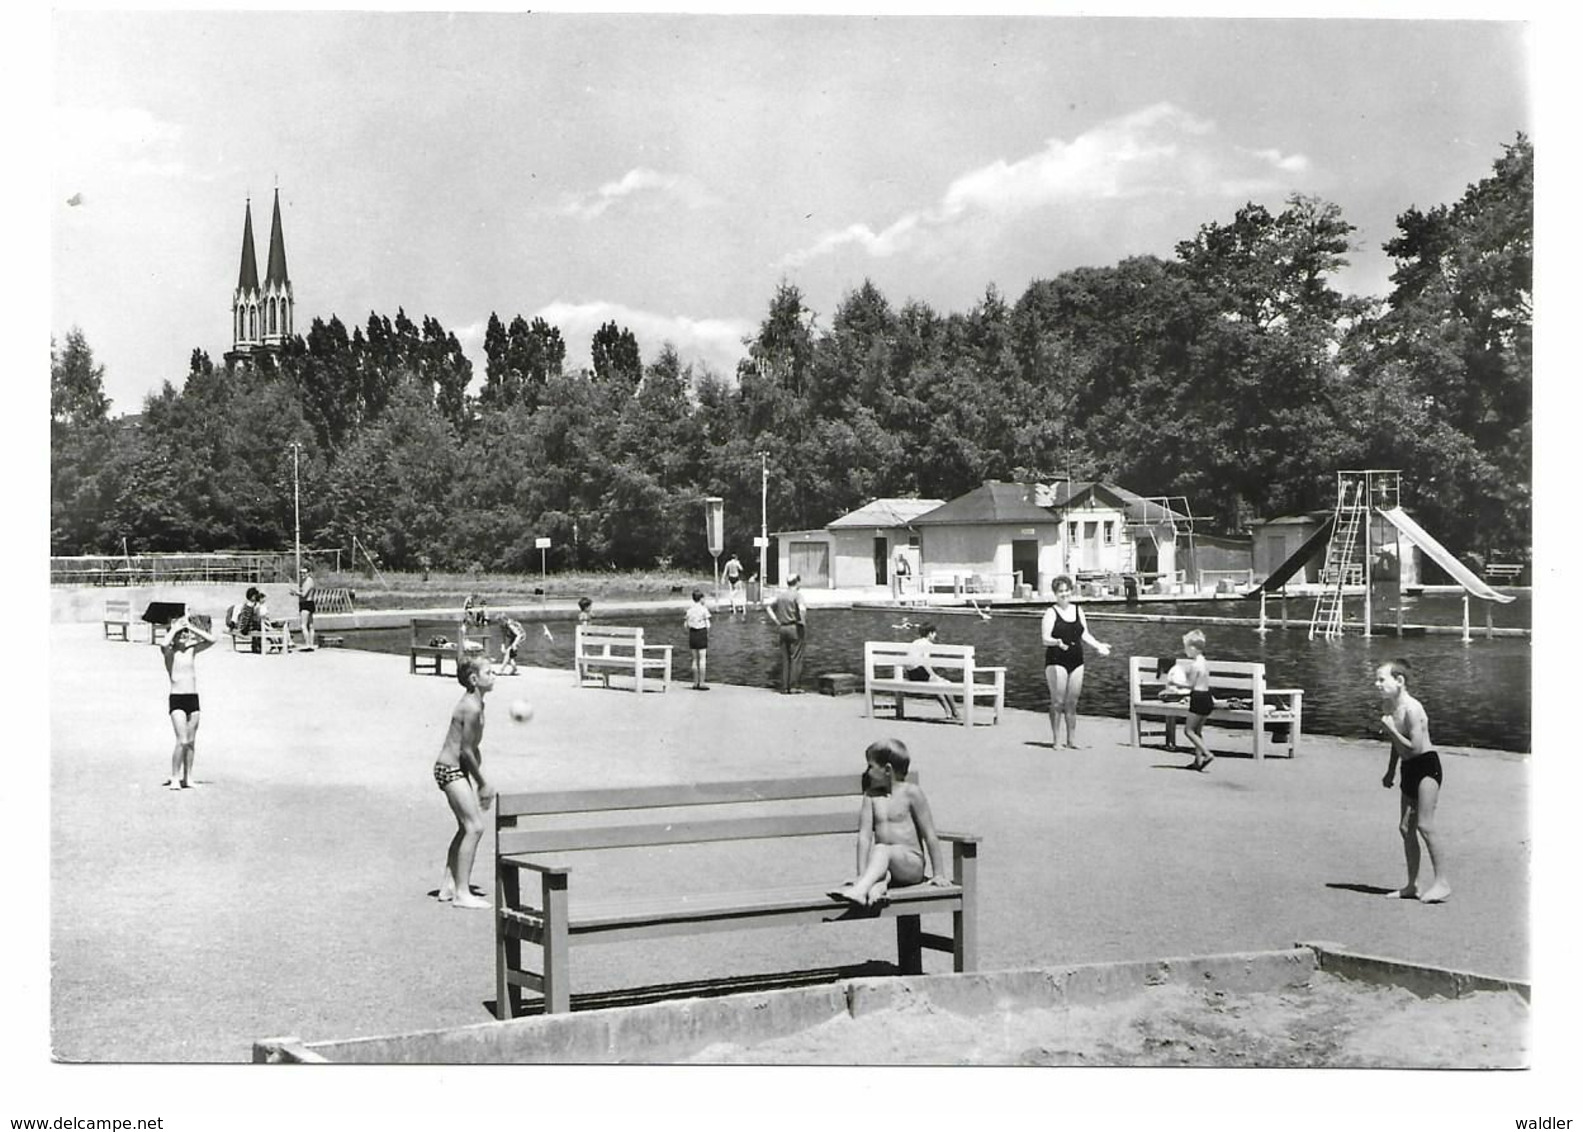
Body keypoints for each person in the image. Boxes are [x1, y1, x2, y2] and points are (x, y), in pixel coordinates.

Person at [830, 738, 948, 907]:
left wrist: (939, 874)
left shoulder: (911, 793)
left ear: (887, 769)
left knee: (882, 849)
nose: (867, 772)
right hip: (885, 867)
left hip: (911, 865)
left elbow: (930, 834)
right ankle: (875, 891)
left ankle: (860, 890)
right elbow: (864, 837)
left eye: (870, 766)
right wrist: (861, 873)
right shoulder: (871, 797)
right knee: (881, 867)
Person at [1376, 659, 1450, 903]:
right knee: (1406, 828)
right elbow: (1399, 747)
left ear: (1399, 681)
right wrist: (1390, 771)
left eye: (1381, 680)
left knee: (1425, 825)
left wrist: (1391, 731)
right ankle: (1412, 885)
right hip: (1408, 766)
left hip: (1426, 765)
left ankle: (1442, 883)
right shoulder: (1389, 706)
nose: (1377, 684)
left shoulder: (1412, 709)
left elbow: (1416, 749)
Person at [434, 656, 497, 909]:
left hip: (453, 770)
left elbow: (468, 749)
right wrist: (482, 783)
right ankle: (462, 893)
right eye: (489, 672)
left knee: (465, 826)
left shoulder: (477, 703)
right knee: (475, 827)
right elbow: (466, 751)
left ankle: (449, 885)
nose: (494, 675)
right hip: (450, 770)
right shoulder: (470, 707)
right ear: (474, 679)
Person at [1039, 574, 1111, 748]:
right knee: (1058, 702)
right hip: (1057, 659)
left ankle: (1071, 740)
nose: (1064, 594)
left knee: (1072, 702)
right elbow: (1045, 639)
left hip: (1076, 658)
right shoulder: (1051, 612)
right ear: (1055, 594)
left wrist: (1098, 645)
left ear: (1071, 591)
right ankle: (1056, 740)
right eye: (1060, 591)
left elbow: (1084, 634)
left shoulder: (1078, 610)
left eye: (1067, 591)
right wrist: (1057, 642)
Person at [161, 613, 217, 790]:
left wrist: (190, 627)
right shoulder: (170, 653)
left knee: (191, 740)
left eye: (185, 634)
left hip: (192, 697)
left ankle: (188, 777)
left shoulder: (192, 649)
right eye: (180, 634)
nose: (183, 637)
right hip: (177, 698)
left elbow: (212, 639)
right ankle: (175, 777)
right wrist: (176, 628)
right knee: (182, 740)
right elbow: (163, 644)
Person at [902, 622, 958, 720]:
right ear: (930, 633)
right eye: (934, 633)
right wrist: (933, 675)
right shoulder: (927, 644)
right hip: (919, 672)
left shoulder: (915, 642)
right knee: (947, 684)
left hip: (911, 674)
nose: (935, 635)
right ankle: (955, 712)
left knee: (937, 686)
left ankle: (949, 712)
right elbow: (925, 662)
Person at [1178, 629, 1216, 772]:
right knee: (1198, 731)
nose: (1185, 650)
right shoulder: (1204, 662)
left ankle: (1207, 754)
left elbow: (1190, 684)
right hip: (1207, 697)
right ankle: (1197, 761)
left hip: (1198, 698)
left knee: (1188, 731)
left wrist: (1173, 683)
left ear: (1193, 648)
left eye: (1186, 647)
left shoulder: (1195, 665)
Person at [766, 573, 808, 693]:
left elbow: (769, 608)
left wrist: (776, 621)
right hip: (794, 628)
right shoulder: (797, 596)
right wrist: (803, 622)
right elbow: (802, 609)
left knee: (785, 659)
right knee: (796, 657)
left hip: (782, 628)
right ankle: (794, 686)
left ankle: (785, 687)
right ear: (797, 582)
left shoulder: (781, 596)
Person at [684, 589, 712, 690]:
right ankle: (702, 682)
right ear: (700, 599)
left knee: (694, 659)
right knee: (702, 659)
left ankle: (695, 682)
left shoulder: (689, 610)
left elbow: (686, 625)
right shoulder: (703, 609)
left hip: (692, 634)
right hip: (701, 633)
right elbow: (708, 624)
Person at [290, 565, 317, 650]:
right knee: (310, 625)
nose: (302, 574)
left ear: (308, 573)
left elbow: (304, 594)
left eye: (304, 573)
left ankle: (308, 644)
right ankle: (311, 644)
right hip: (309, 603)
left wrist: (295, 593)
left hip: (306, 604)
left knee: (303, 625)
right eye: (301, 573)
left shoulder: (308, 582)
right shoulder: (307, 581)